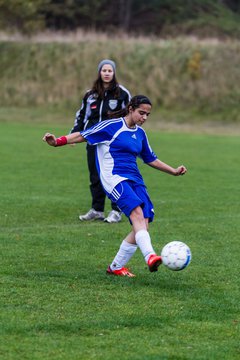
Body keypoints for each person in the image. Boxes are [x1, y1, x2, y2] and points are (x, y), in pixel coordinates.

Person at [43, 95, 187, 277]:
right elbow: (82, 135)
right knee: (136, 214)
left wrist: (173, 171)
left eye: (148, 115)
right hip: (115, 178)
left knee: (143, 223)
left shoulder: (140, 134)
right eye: (141, 113)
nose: (144, 118)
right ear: (131, 109)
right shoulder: (111, 126)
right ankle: (150, 256)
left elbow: (150, 159)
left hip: (135, 179)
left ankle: (116, 267)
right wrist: (57, 142)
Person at [70, 59, 131, 223]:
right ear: (99, 72)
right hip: (93, 141)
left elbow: (130, 116)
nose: (106, 73)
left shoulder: (122, 93)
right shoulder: (90, 95)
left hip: (113, 143)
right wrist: (74, 135)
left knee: (113, 175)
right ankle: (97, 210)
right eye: (104, 70)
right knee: (95, 175)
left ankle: (116, 211)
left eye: (109, 70)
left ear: (114, 73)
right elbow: (82, 116)